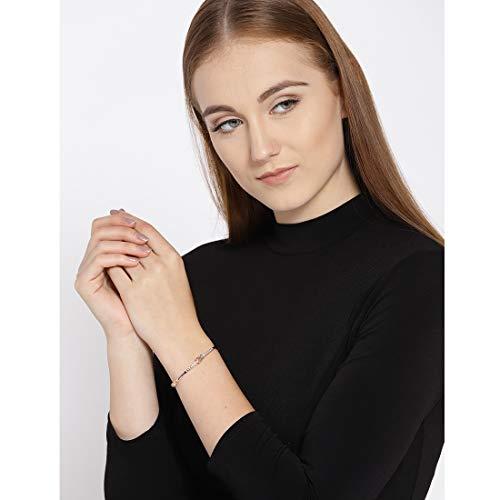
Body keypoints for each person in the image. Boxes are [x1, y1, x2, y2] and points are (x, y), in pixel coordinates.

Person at [74, 1, 444, 498]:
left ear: (342, 94)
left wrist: (179, 338)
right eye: (228, 123)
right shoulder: (191, 279)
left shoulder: (422, 279)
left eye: (283, 104)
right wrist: (126, 336)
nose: (260, 149)